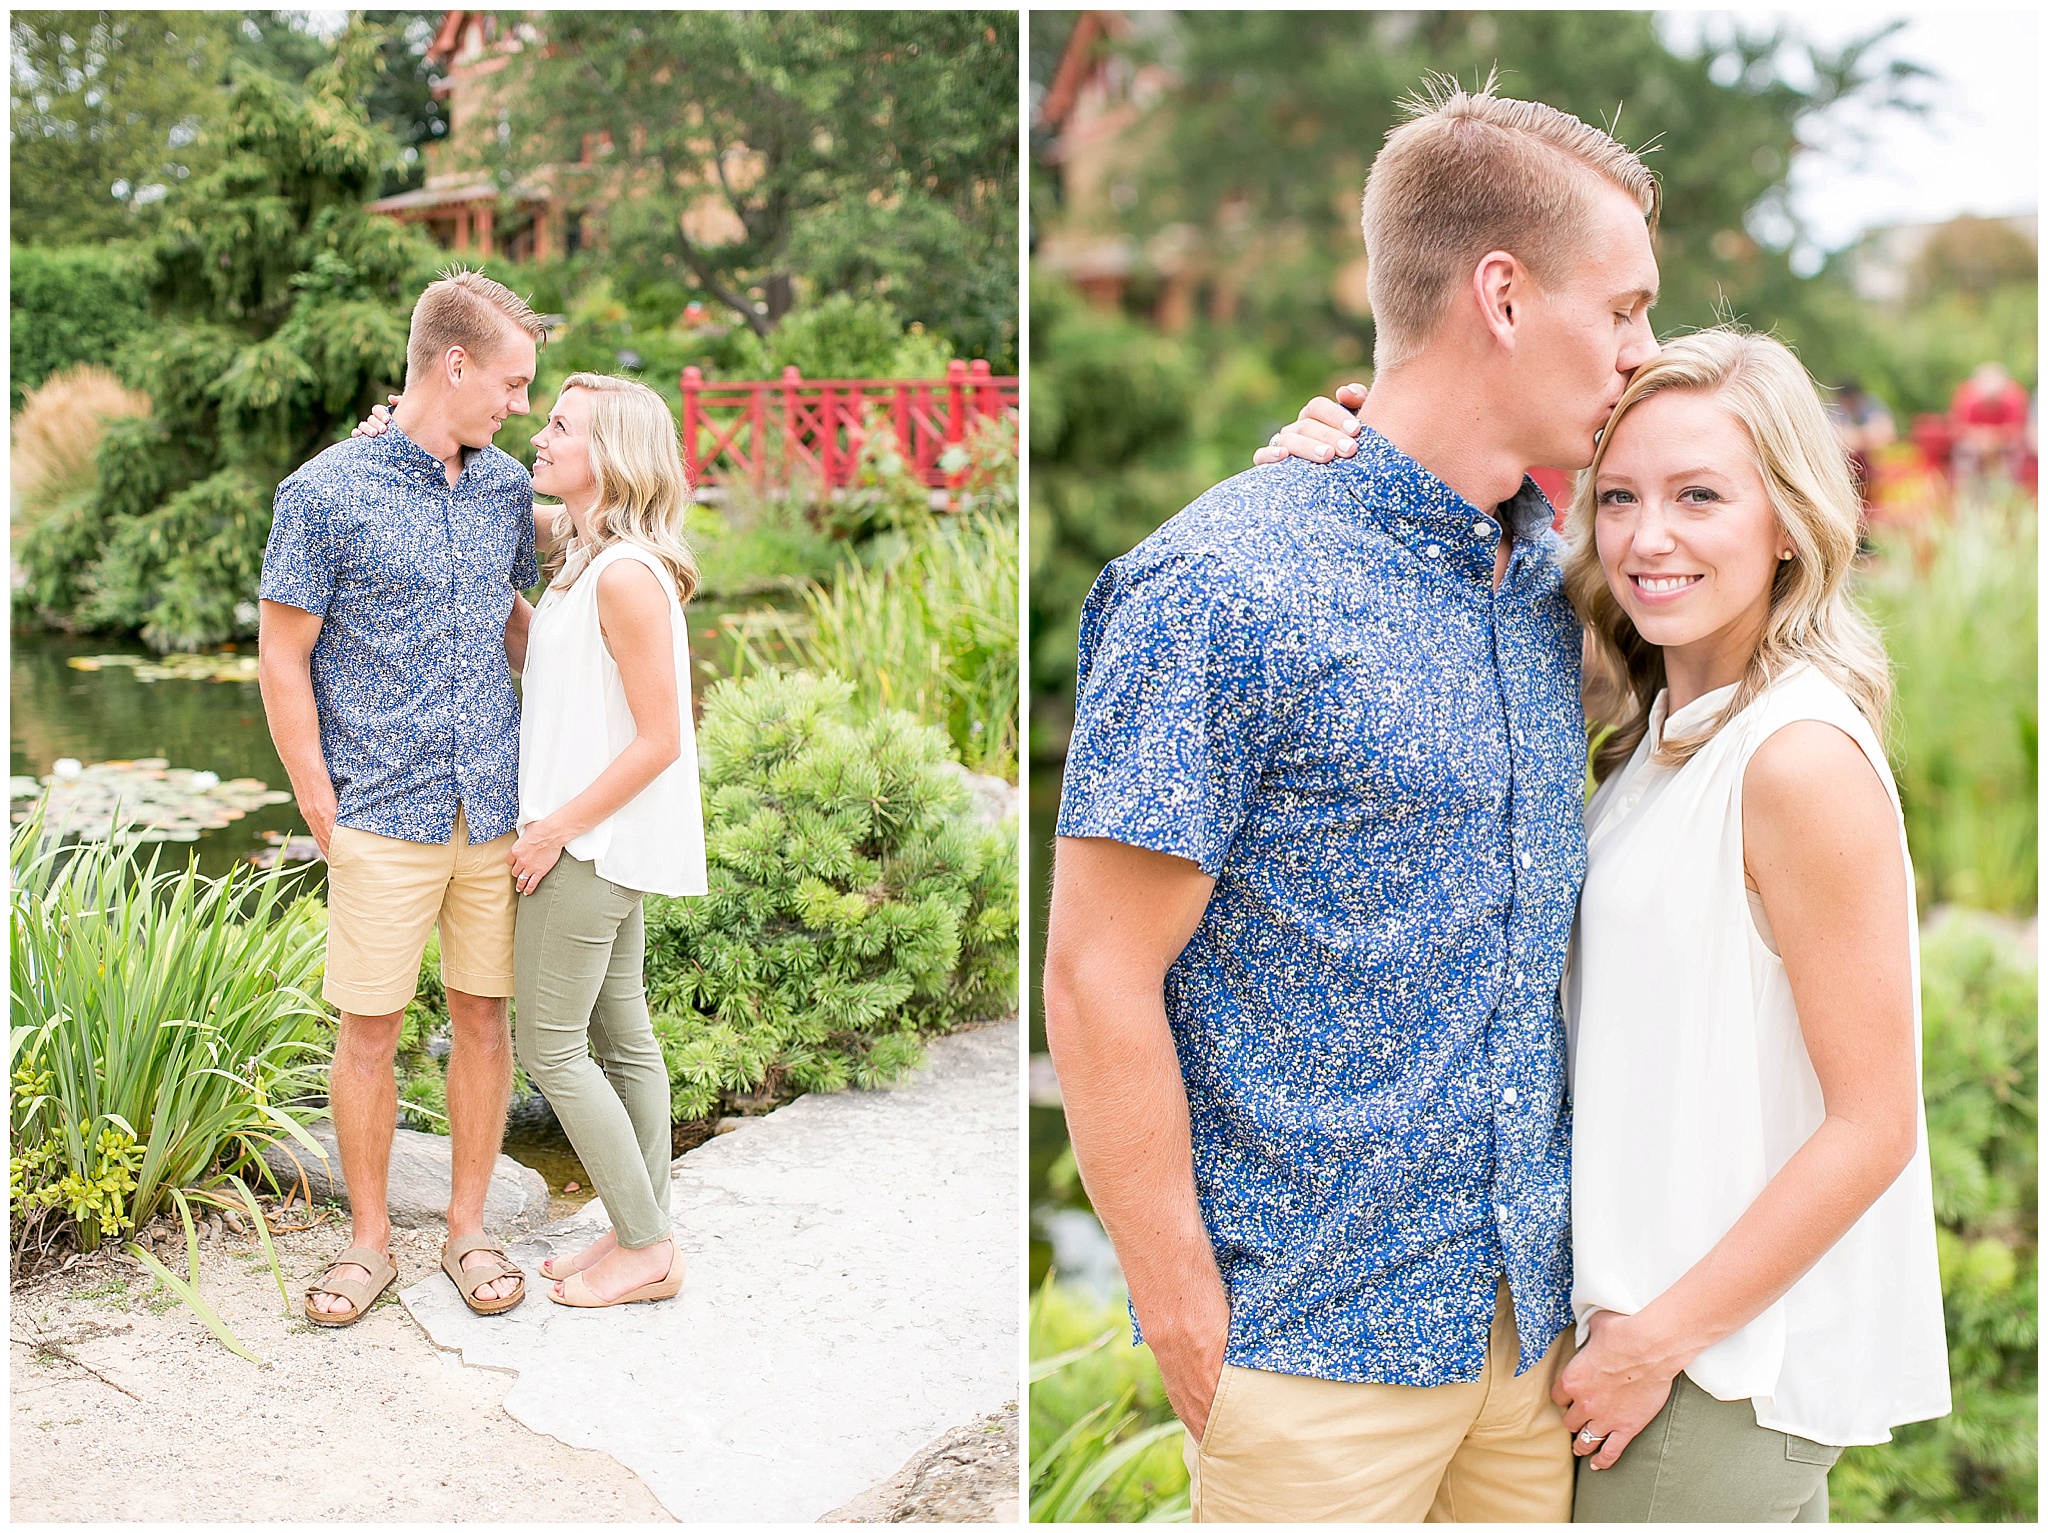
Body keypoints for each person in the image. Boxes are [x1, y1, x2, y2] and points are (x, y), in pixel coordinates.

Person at [1043, 80, 1660, 1522]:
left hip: (1531, 1344)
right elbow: (1092, 972)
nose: (1640, 353)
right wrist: (1187, 1314)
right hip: (1312, 1358)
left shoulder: (1549, 579)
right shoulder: (1219, 587)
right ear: (1502, 296)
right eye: (1622, 309)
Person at [1262, 332, 1953, 1518]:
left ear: (1786, 519)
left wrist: (1653, 1346)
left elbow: (1871, 1122)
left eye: (1698, 496)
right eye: (1618, 496)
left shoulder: (1794, 758)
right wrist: (1322, 473)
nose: (1646, 538)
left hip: (1702, 1369)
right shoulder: (1660, 726)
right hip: (1639, 1347)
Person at [360, 374, 709, 1306]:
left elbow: (663, 736)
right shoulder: (590, 557)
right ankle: (647, 1233)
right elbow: (545, 657)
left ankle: (643, 1246)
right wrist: (395, 443)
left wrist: (553, 827)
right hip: (595, 836)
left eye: (561, 426)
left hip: (585, 842)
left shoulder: (628, 575)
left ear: (613, 457)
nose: (538, 437)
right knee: (625, 1036)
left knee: (553, 1048)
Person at [259, 268, 547, 1325]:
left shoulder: (510, 486)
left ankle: (469, 1230)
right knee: (369, 1032)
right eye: (511, 383)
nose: (516, 405)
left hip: (494, 807)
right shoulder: (322, 494)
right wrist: (318, 802)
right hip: (379, 809)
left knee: (483, 1019)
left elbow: (515, 618)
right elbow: (282, 657)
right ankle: (370, 1243)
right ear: (454, 363)